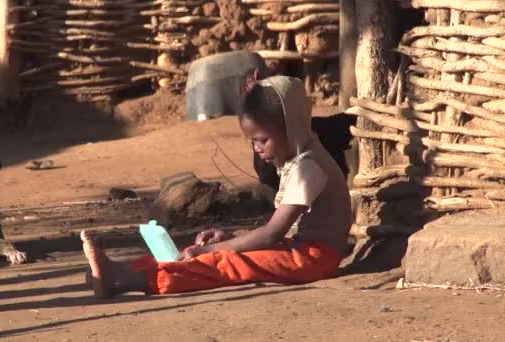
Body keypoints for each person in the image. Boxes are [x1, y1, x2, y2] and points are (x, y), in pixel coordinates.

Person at [81, 74, 352, 298]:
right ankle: (123, 270)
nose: (257, 149)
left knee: (228, 263)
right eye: (252, 142)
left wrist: (209, 250)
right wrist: (229, 238)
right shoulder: (303, 157)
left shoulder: (309, 166)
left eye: (261, 140)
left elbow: (272, 233)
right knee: (203, 254)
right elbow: (277, 233)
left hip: (315, 260)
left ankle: (128, 281)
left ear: (290, 127)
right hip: (300, 249)